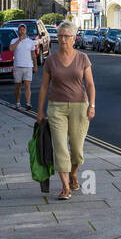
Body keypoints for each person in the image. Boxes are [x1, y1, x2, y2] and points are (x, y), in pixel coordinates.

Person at [36, 21, 96, 201]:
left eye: (66, 36)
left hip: (80, 107)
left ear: (74, 38)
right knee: (61, 147)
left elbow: (90, 84)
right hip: (57, 108)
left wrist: (92, 106)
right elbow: (44, 87)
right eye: (60, 35)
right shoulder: (51, 60)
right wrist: (40, 111)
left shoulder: (83, 58)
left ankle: (74, 174)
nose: (62, 39)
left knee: (77, 150)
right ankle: (65, 187)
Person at [10, 23, 45, 112]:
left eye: (23, 29)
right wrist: (19, 40)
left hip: (28, 66)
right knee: (17, 86)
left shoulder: (30, 41)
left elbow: (33, 55)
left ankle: (28, 103)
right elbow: (11, 49)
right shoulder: (14, 40)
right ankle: (17, 102)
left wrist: (35, 65)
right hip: (18, 66)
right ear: (18, 31)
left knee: (27, 85)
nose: (22, 31)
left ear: (26, 30)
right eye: (20, 30)